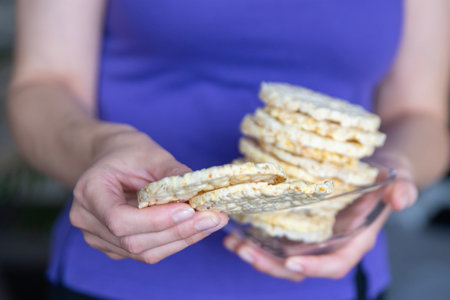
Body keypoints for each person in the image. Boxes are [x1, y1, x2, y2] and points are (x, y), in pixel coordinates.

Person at [7, 0, 449, 299]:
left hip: (332, 282)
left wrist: (393, 170)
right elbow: (43, 85)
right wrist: (100, 147)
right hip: (118, 279)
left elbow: (420, 115)